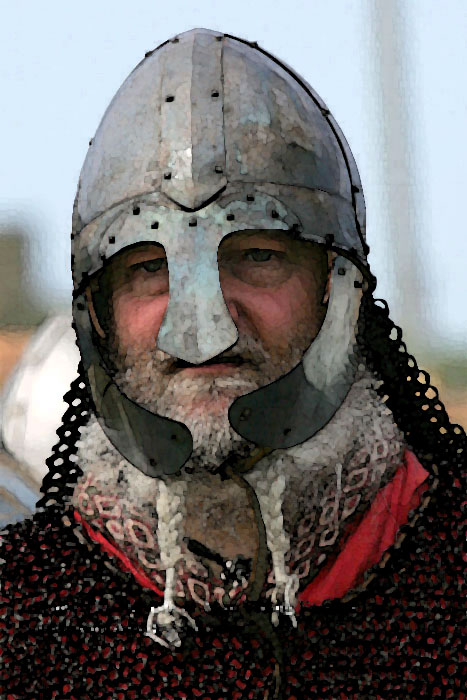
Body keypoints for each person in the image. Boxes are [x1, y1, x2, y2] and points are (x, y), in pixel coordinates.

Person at [1, 29, 464, 699]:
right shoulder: (22, 620)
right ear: (98, 314)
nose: (202, 329)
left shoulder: (450, 559)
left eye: (257, 256)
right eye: (149, 268)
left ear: (336, 288)